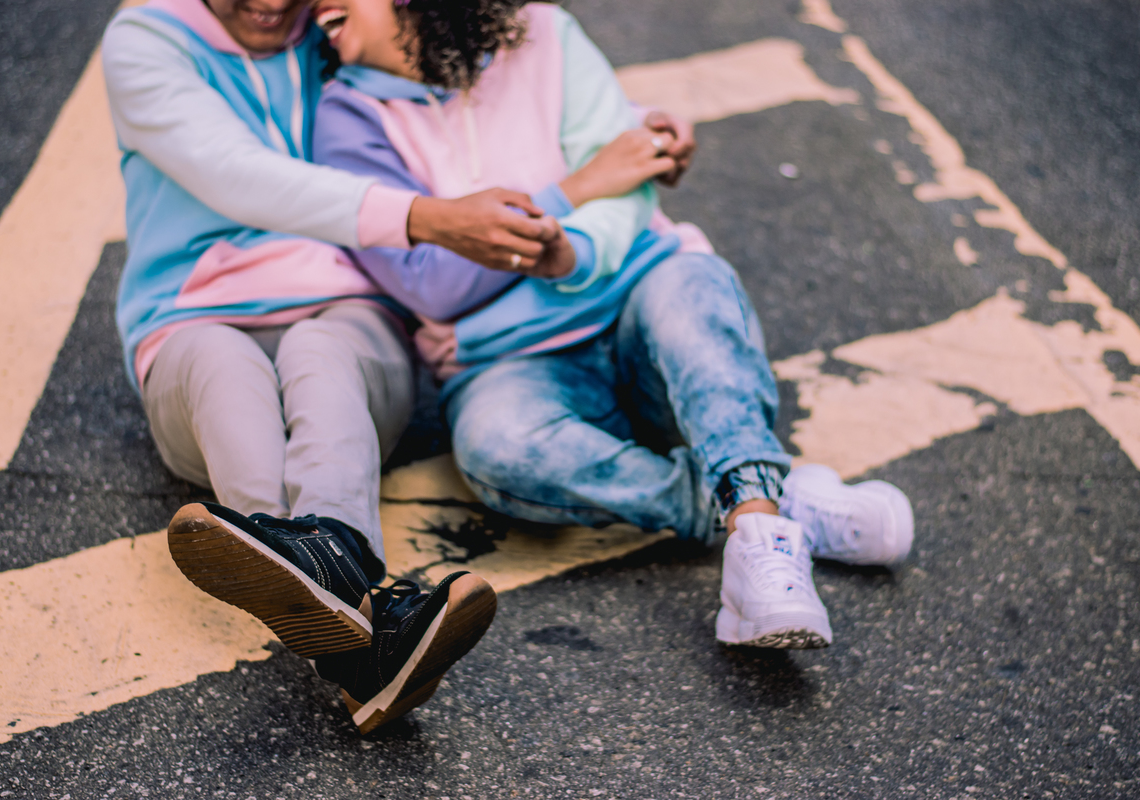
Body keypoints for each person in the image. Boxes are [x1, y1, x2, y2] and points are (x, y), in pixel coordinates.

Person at [100, 0, 697, 732]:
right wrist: (429, 217)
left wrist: (640, 124)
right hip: (188, 316)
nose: (270, 2)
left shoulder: (330, 33)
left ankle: (331, 574)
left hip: (345, 304)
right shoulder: (145, 42)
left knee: (321, 350)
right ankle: (359, 613)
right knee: (221, 361)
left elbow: (464, 68)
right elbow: (237, 174)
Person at [310, 0, 916, 651]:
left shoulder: (541, 31)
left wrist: (571, 253)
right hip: (504, 361)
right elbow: (429, 280)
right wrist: (574, 189)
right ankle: (756, 500)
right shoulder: (346, 118)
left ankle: (759, 530)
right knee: (498, 448)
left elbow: (629, 174)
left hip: (639, 295)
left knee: (692, 284)